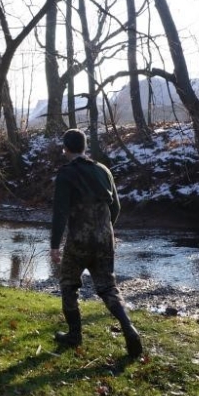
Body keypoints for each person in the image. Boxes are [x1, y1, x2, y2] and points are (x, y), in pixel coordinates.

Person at [49, 129, 143, 358]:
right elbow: (116, 208)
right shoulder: (104, 171)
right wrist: (106, 229)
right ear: (84, 147)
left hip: (79, 240)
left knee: (69, 283)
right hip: (104, 239)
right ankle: (129, 329)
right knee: (108, 286)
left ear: (66, 148)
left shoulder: (66, 174)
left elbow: (60, 212)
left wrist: (54, 245)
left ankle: (74, 335)